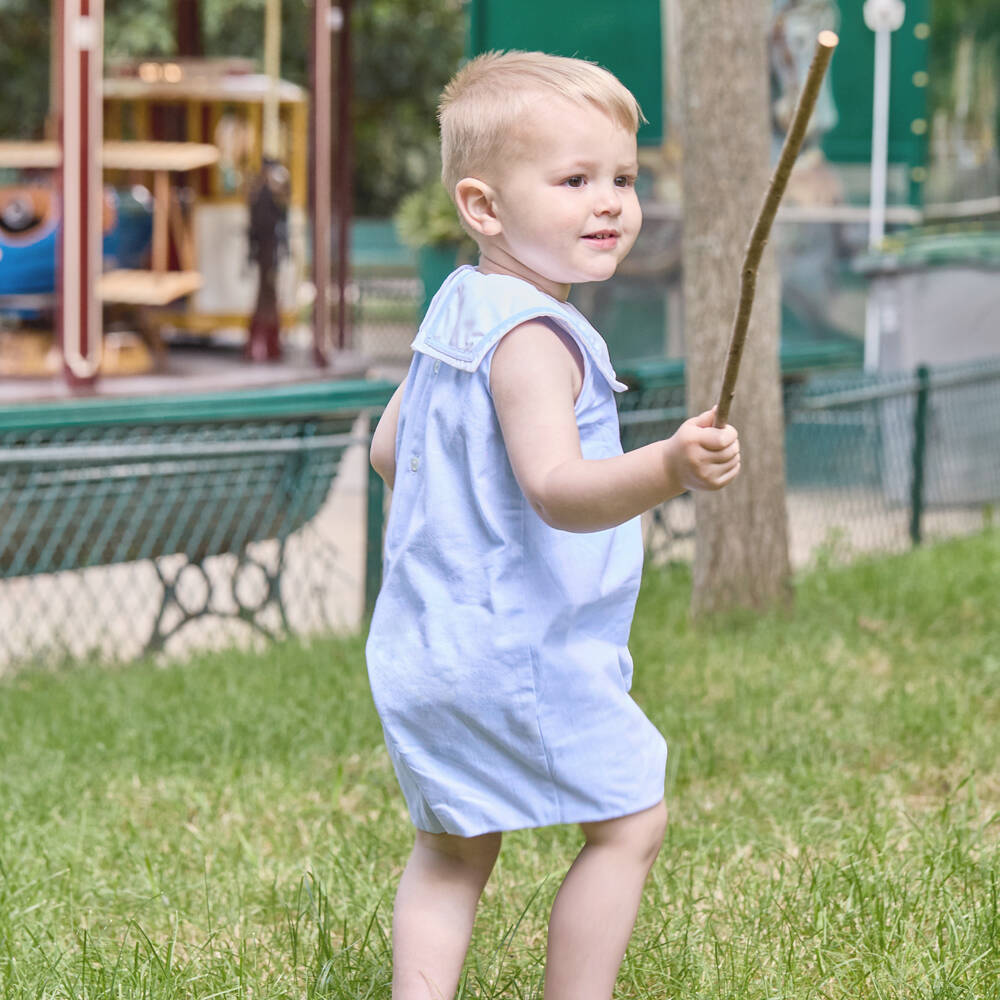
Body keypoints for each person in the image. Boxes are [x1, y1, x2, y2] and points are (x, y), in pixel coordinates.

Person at [365, 51, 741, 1000]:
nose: (610, 201)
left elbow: (385, 453)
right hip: (519, 651)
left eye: (624, 176)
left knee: (453, 851)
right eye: (574, 180)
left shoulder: (455, 306)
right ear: (485, 207)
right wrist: (667, 466)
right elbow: (557, 489)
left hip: (430, 646)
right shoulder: (537, 337)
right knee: (630, 820)